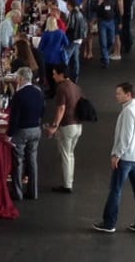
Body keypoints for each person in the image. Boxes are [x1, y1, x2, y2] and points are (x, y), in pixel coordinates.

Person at [93, 82, 135, 233]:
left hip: (126, 158)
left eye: (119, 93)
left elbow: (126, 138)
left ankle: (109, 223)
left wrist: (117, 155)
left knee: (116, 189)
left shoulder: (128, 112)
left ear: (128, 95)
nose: (116, 96)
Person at [7, 66, 45, 201]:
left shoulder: (19, 95)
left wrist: (9, 135)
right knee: (32, 160)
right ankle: (33, 192)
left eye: (17, 77)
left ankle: (17, 192)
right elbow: (42, 111)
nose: (16, 79)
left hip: (22, 131)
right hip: (36, 129)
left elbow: (14, 117)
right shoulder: (39, 92)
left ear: (22, 78)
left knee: (18, 161)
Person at [44, 65, 82, 193]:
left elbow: (61, 109)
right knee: (70, 154)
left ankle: (67, 185)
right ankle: (69, 181)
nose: (53, 76)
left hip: (67, 126)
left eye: (55, 74)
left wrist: (54, 126)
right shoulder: (75, 87)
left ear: (61, 75)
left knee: (65, 155)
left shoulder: (61, 88)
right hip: (78, 125)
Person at [37, 16, 69, 97]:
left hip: (47, 58)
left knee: (49, 75)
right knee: (57, 74)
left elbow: (40, 47)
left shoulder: (45, 34)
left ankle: (51, 92)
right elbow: (66, 43)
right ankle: (58, 90)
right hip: (58, 58)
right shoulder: (61, 32)